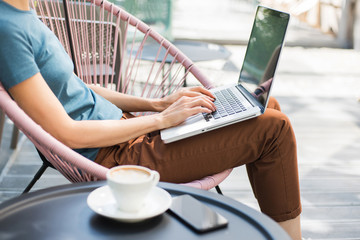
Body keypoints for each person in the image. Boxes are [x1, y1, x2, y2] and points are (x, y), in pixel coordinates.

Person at [0, 0, 302, 239]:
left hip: (124, 131)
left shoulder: (24, 9)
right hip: (114, 158)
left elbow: (77, 86)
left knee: (264, 106)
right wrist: (161, 121)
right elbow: (66, 134)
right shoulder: (7, 28)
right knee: (275, 130)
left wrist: (157, 105)